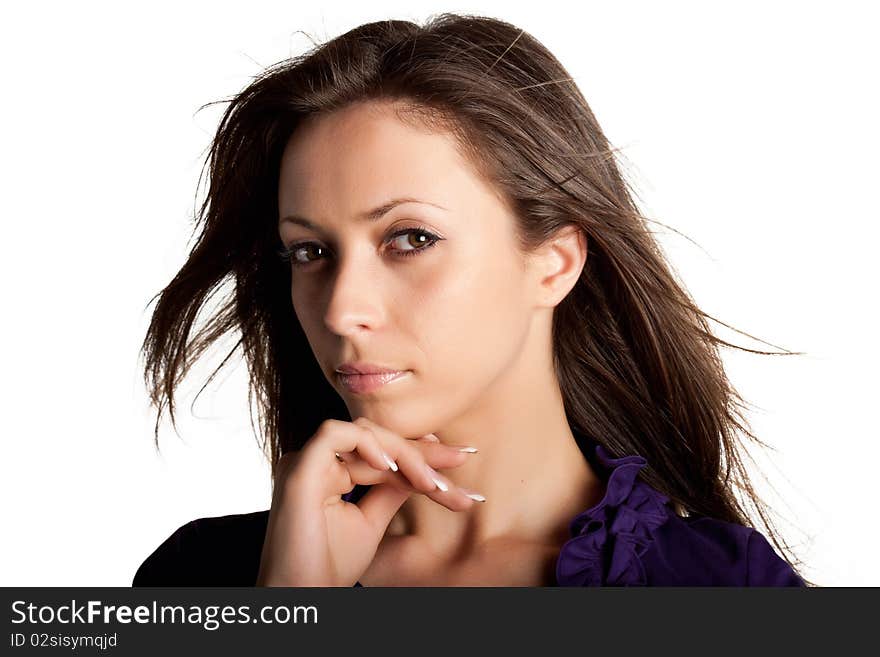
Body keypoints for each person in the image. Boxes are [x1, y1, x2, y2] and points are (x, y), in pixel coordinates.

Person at [133, 13, 810, 587]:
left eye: (410, 238)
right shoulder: (202, 578)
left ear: (554, 262)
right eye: (309, 251)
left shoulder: (722, 590)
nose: (341, 310)